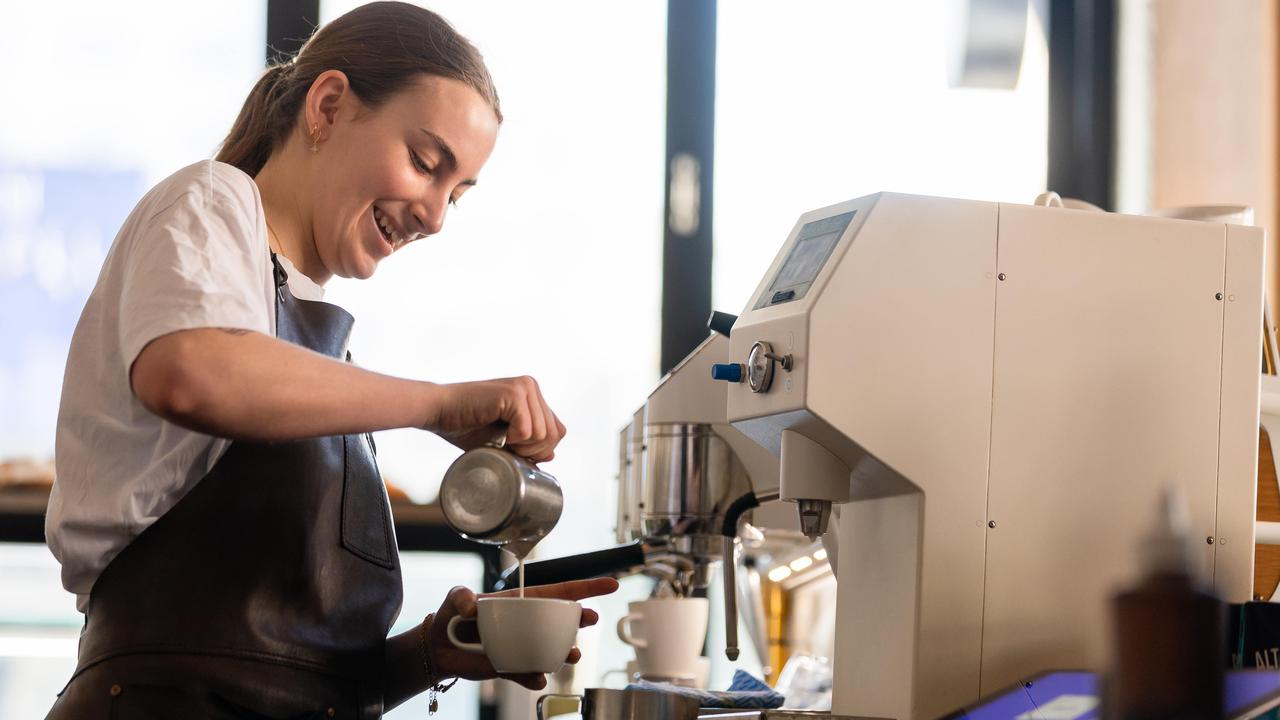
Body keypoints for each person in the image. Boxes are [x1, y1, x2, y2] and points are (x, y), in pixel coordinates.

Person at [43, 3, 617, 718]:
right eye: (425, 163)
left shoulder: (316, 349)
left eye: (457, 194)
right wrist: (438, 404)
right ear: (329, 106)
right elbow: (189, 372)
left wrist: (431, 653)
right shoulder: (210, 201)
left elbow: (288, 671)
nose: (436, 216)